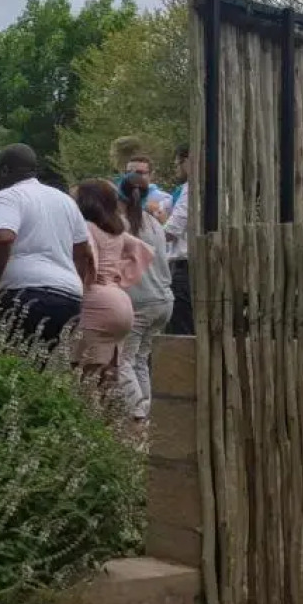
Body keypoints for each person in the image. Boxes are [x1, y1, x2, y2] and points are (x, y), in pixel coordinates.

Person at [0, 144, 95, 350]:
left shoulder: (9, 196)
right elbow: (83, 252)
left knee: (6, 362)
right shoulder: (66, 201)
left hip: (23, 294)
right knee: (40, 363)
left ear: (4, 170)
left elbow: (2, 239)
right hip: (68, 299)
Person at [73, 179, 153, 382]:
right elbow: (144, 251)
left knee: (84, 373)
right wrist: (120, 276)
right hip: (121, 300)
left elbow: (89, 256)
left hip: (96, 300)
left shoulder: (87, 228)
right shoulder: (117, 231)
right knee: (107, 374)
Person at [116, 173, 174, 421]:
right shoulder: (154, 223)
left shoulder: (120, 225)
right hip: (163, 299)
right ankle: (149, 412)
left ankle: (138, 414)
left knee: (123, 360)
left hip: (138, 301)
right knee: (140, 359)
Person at [164, 145, 193, 336]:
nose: (176, 169)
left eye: (177, 164)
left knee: (182, 327)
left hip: (184, 265)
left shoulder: (191, 190)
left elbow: (172, 230)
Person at [114, 154, 172, 219]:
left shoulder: (164, 199)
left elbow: (167, 223)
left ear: (151, 175)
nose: (132, 176)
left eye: (139, 173)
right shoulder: (116, 195)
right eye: (128, 173)